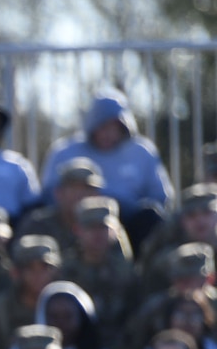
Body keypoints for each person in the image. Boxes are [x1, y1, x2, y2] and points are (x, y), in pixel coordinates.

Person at [44, 88, 174, 247]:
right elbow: (49, 195)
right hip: (75, 225)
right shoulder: (65, 152)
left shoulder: (142, 152)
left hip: (130, 223)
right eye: (102, 127)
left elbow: (160, 197)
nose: (108, 133)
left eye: (114, 127)